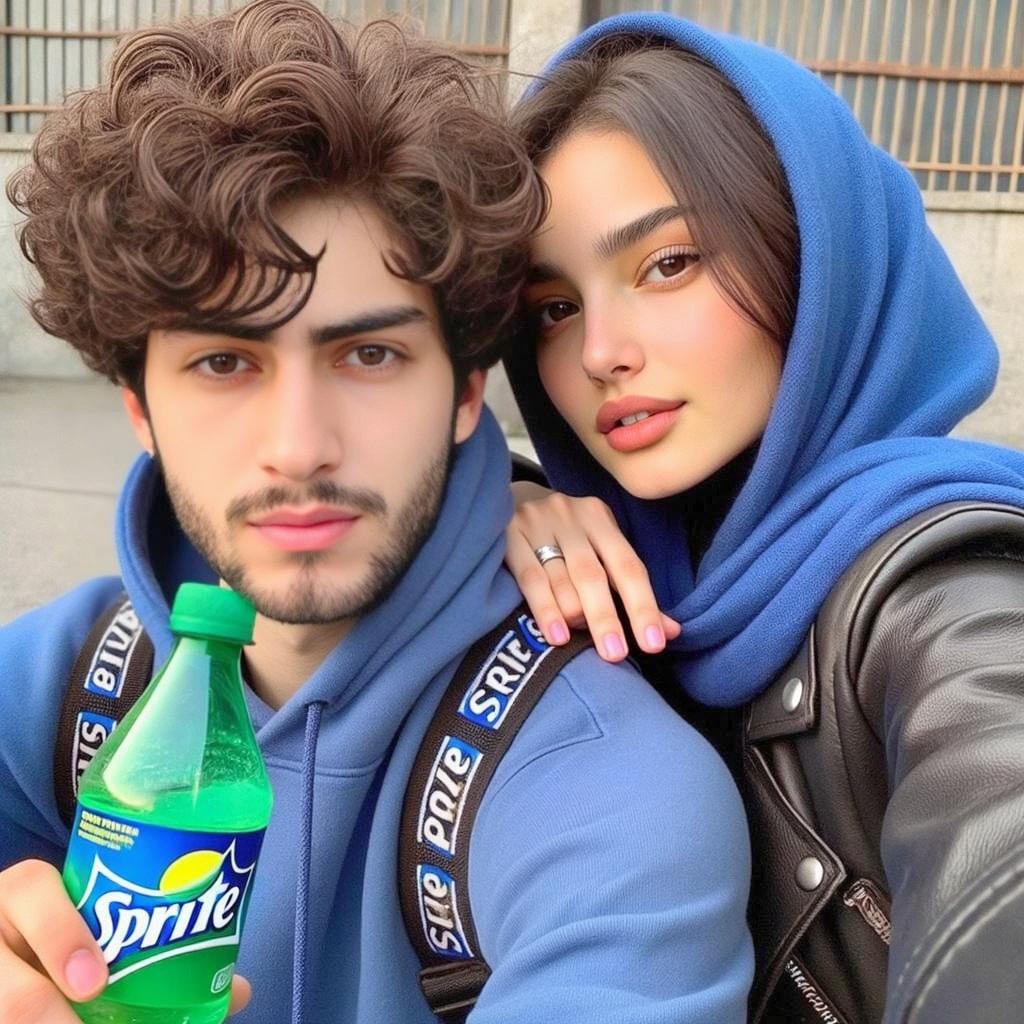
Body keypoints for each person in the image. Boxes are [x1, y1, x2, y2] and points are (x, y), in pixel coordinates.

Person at [0, 3, 755, 1023]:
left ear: (463, 393)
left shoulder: (607, 790)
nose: (300, 444)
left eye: (369, 355)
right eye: (224, 362)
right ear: (140, 408)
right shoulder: (55, 692)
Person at [502, 12, 1024, 1024]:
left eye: (667, 264)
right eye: (555, 307)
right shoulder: (649, 572)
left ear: (815, 260)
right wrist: (505, 496)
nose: (601, 351)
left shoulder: (948, 598)